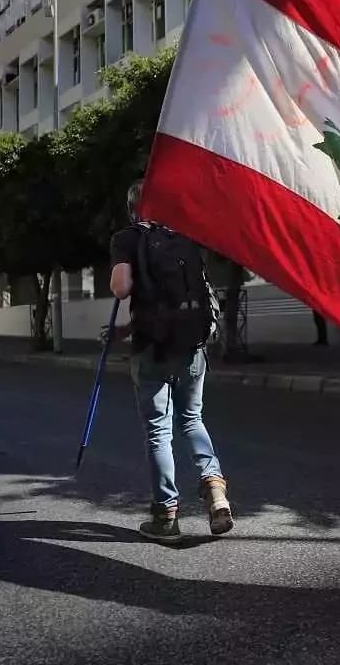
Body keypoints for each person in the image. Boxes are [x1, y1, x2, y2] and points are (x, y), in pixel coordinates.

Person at [108, 179, 233, 544]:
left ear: (133, 207)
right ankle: (215, 489)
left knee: (158, 431)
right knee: (192, 419)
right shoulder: (185, 238)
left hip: (152, 350)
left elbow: (121, 288)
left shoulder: (127, 237)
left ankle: (165, 515)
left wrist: (121, 264)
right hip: (192, 344)